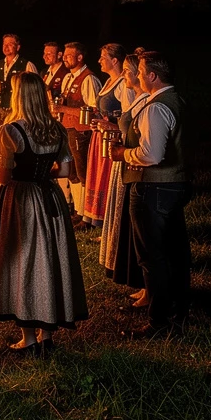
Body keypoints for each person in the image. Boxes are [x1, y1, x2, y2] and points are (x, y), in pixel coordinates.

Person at [0, 72, 88, 355]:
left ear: (19, 96)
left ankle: (28, 339)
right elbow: (64, 170)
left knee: (22, 261)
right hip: (49, 197)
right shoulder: (56, 129)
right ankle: (47, 335)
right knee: (50, 258)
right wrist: (44, 171)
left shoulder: (10, 130)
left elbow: (3, 176)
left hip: (21, 199)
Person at [109, 52, 193, 337]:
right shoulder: (177, 99)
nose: (139, 76)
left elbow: (152, 154)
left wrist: (123, 153)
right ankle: (179, 310)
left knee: (153, 256)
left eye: (142, 72)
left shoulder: (157, 107)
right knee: (174, 252)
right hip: (175, 184)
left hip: (154, 187)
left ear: (153, 76)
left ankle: (159, 322)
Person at [100, 53, 148, 302]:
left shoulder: (147, 103)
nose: (130, 76)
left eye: (132, 72)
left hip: (138, 168)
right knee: (136, 230)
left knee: (145, 234)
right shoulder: (139, 100)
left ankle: (151, 288)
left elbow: (148, 146)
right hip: (129, 163)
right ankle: (144, 284)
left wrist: (123, 148)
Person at [83, 44, 136, 227]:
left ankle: (113, 222)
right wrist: (97, 120)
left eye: (103, 57)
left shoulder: (124, 84)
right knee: (100, 177)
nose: (99, 61)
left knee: (111, 180)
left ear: (114, 60)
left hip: (114, 138)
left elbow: (129, 118)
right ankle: (103, 221)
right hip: (101, 136)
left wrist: (110, 124)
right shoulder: (108, 82)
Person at [57, 41, 102, 228]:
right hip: (69, 129)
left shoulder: (89, 79)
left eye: (69, 55)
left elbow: (93, 110)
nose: (64, 58)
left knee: (83, 172)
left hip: (82, 132)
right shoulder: (69, 77)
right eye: (64, 55)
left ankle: (87, 216)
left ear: (80, 57)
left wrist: (64, 108)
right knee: (72, 173)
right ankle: (78, 211)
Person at [0, 34, 37, 129]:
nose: (6, 47)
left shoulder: (26, 65)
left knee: (15, 137)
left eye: (10, 44)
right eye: (4, 44)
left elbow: (35, 89)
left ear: (18, 47)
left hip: (17, 109)